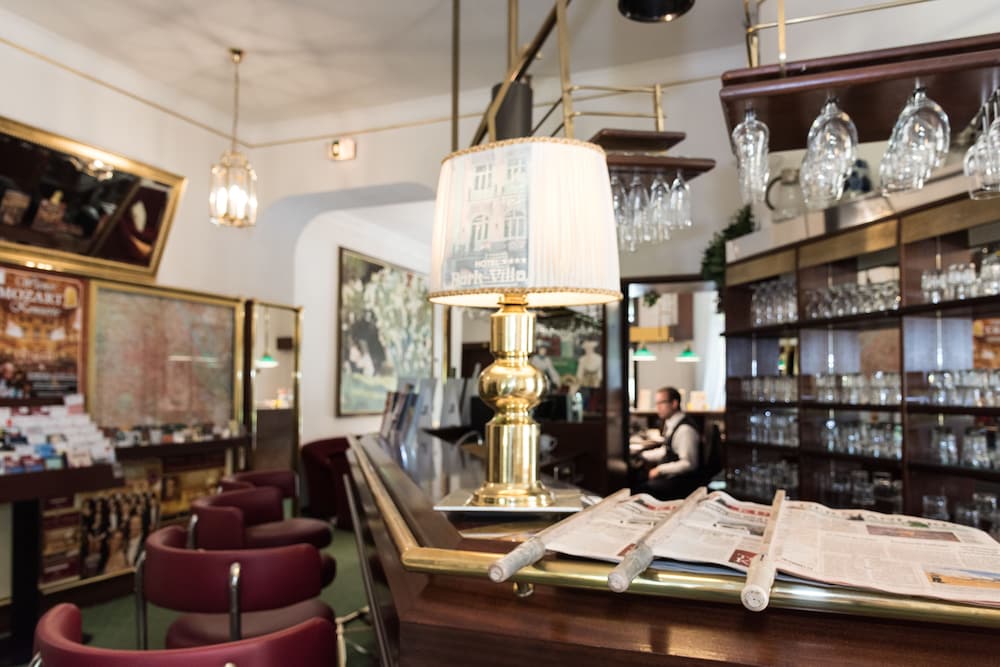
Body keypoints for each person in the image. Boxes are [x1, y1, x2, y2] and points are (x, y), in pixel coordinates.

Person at [634, 386, 701, 500]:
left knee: (641, 487)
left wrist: (660, 470)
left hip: (681, 481)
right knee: (639, 479)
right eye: (657, 403)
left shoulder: (685, 430)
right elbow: (666, 451)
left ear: (674, 403)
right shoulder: (671, 423)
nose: (658, 407)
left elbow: (689, 464)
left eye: (661, 403)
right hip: (672, 477)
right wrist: (641, 455)